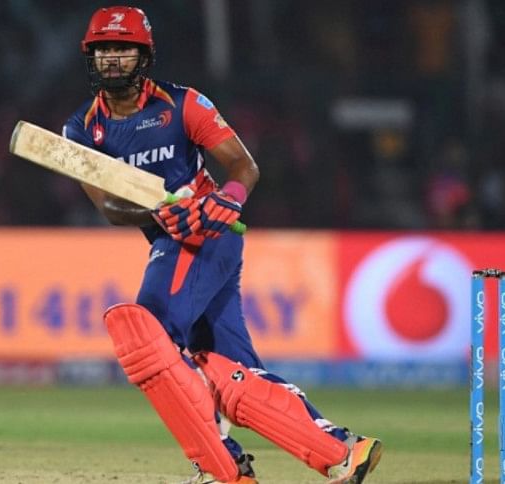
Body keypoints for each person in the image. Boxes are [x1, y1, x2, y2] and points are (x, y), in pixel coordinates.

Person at [62, 6, 382, 483]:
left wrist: (227, 200)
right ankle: (341, 452)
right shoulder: (81, 128)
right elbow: (109, 206)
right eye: (103, 49)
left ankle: (221, 465)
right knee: (229, 371)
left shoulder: (183, 104)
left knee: (148, 337)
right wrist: (158, 214)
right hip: (169, 234)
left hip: (207, 234)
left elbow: (243, 166)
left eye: (123, 48)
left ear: (143, 55)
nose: (112, 58)